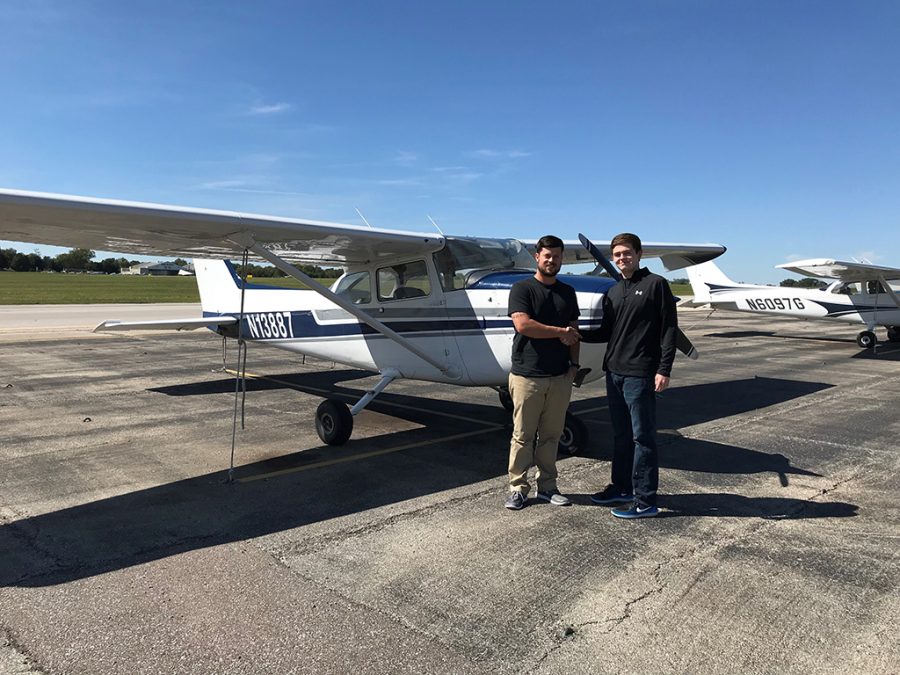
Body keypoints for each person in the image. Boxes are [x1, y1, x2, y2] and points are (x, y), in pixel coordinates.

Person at [581, 232, 677, 519]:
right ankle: (621, 487)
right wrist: (573, 332)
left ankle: (646, 500)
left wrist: (664, 369)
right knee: (621, 435)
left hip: (640, 373)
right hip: (614, 372)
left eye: (627, 253)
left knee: (642, 437)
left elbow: (669, 329)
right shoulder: (613, 291)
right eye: (617, 254)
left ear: (638, 254)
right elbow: (605, 331)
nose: (622, 258)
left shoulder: (656, 285)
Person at [505, 235, 581, 510]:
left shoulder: (568, 292)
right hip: (528, 376)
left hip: (560, 376)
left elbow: (575, 333)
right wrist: (560, 332)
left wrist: (574, 366)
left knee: (551, 435)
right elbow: (524, 326)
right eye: (547, 256)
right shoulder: (521, 288)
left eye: (557, 256)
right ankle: (517, 488)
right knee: (523, 435)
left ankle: (548, 487)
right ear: (537, 257)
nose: (552, 260)